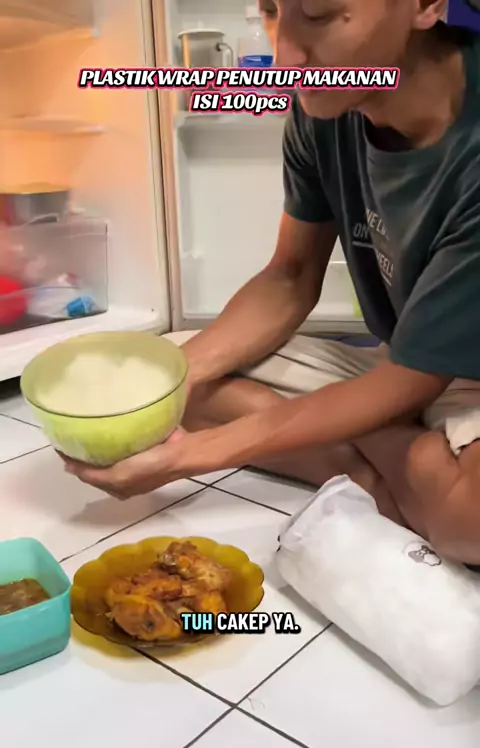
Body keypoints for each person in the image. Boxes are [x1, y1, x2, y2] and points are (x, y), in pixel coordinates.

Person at [65, 0, 480, 566]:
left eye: (320, 13)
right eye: (270, 10)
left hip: (451, 375)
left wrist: (193, 456)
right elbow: (289, 278)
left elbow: (414, 380)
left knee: (471, 523)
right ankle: (388, 475)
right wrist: (157, 388)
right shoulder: (326, 107)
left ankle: (371, 451)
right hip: (398, 366)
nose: (285, 57)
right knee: (175, 377)